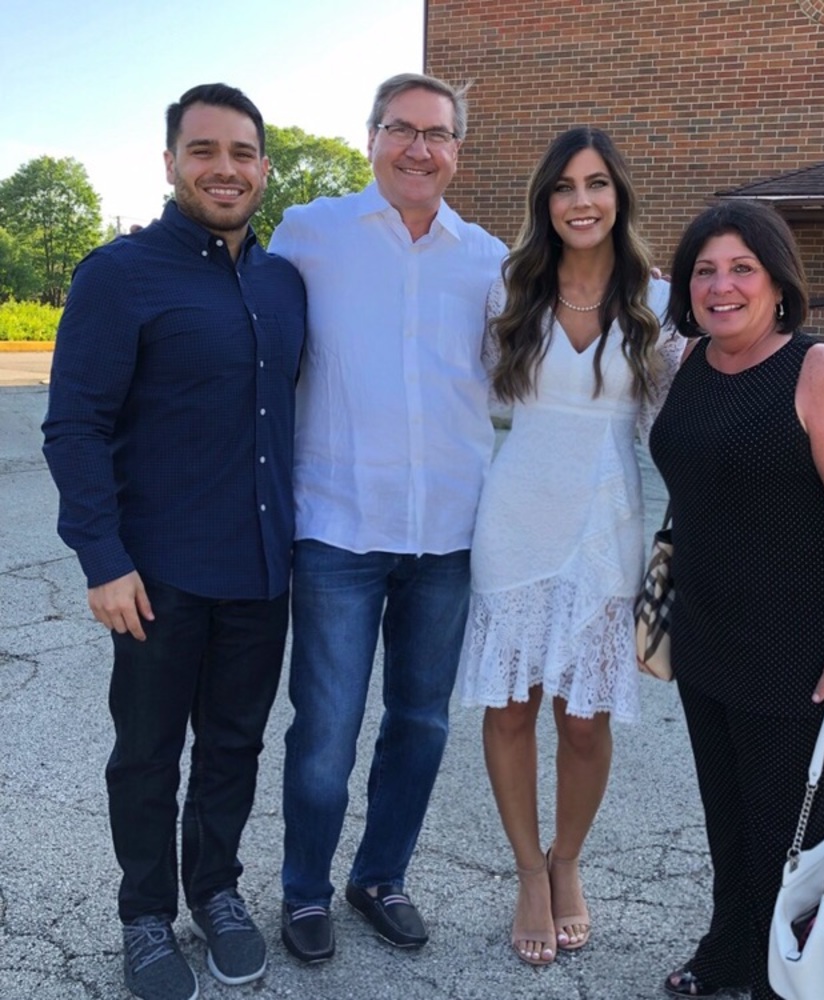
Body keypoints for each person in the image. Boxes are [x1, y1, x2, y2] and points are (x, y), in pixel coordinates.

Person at [41, 84, 306, 1000]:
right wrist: (102, 557)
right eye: (204, 150)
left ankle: (216, 892)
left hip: (262, 573)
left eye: (241, 152)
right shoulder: (119, 274)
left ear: (264, 168)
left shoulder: (283, 283)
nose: (224, 168)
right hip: (154, 578)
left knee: (235, 747)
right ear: (170, 163)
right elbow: (73, 424)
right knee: (148, 753)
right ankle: (144, 914)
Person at [267, 73, 507, 963]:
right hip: (337, 527)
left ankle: (381, 876)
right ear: (370, 137)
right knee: (325, 727)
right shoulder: (310, 236)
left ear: (457, 151)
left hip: (447, 534)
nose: (418, 148)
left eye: (437, 134)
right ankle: (303, 892)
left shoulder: (487, 259)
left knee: (421, 722)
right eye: (400, 129)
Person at [648, 200, 824, 1000]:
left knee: (789, 830)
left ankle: (789, 974)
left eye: (741, 268)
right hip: (706, 633)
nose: (721, 286)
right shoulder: (690, 360)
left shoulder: (817, 372)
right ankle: (731, 950)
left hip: (793, 648)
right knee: (728, 818)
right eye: (705, 271)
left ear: (777, 281)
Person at [458, 126, 681, 966]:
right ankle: (526, 871)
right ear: (543, 202)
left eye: (595, 184)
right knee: (510, 709)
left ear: (618, 197)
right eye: (563, 187)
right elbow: (464, 398)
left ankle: (567, 860)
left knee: (583, 722)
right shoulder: (506, 293)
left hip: (607, 526)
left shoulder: (658, 305)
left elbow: (675, 429)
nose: (580, 201)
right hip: (514, 520)